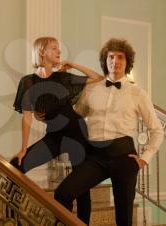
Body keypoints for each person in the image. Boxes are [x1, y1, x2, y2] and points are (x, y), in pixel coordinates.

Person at [53, 38, 164, 226]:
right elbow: (76, 117)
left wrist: (145, 157)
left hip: (124, 156)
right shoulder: (91, 89)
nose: (115, 61)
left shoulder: (138, 93)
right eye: (111, 57)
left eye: (121, 57)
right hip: (95, 156)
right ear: (105, 61)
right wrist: (52, 111)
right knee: (62, 193)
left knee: (123, 219)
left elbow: (157, 130)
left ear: (127, 62)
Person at [10, 36, 103, 225]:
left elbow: (99, 79)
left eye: (58, 49)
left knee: (81, 187)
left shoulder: (64, 77)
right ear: (41, 52)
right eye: (54, 48)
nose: (59, 52)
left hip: (77, 133)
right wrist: (23, 148)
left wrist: (73, 64)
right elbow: (27, 116)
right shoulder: (28, 82)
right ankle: (14, 219)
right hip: (55, 136)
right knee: (15, 165)